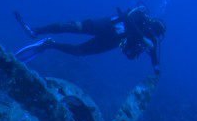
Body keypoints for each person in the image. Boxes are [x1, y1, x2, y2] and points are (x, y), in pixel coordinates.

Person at [14, 6, 166, 74]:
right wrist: (142, 38)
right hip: (106, 25)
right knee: (74, 27)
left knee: (79, 52)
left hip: (111, 41)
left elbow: (153, 56)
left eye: (155, 34)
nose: (152, 33)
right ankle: (35, 30)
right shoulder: (140, 15)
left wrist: (156, 70)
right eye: (154, 30)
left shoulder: (150, 39)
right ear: (152, 23)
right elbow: (128, 19)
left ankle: (49, 44)